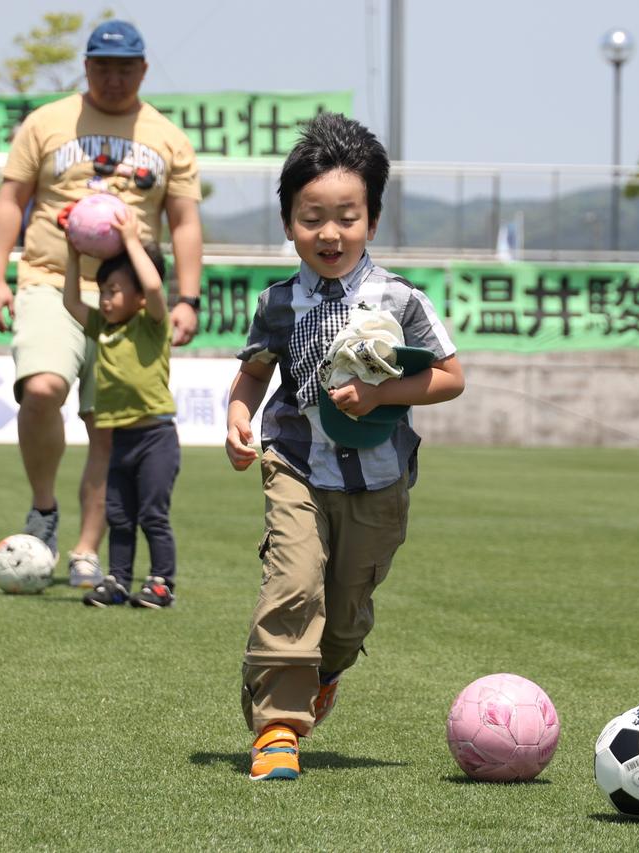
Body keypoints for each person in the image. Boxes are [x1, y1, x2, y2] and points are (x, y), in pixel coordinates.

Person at [224, 113, 465, 781]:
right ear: (288, 221)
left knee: (347, 612)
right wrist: (239, 419)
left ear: (372, 219)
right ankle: (278, 725)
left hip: (380, 477)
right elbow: (253, 372)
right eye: (311, 217)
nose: (329, 233)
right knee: (292, 584)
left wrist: (384, 395)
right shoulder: (278, 302)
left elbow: (450, 376)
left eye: (347, 216)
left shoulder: (402, 298)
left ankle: (326, 670)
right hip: (296, 463)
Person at [0, 19, 204, 588]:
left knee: (107, 428)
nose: (112, 77)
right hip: (49, 279)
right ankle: (44, 508)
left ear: (144, 69)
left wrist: (187, 297)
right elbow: (12, 200)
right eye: (102, 66)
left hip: (127, 301)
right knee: (42, 388)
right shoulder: (47, 122)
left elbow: (184, 221)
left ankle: (86, 550)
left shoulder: (168, 136)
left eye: (125, 67)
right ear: (86, 67)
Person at [63, 207, 180, 609]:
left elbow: (153, 287)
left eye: (114, 290)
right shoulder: (102, 327)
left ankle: (162, 582)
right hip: (120, 440)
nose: (106, 299)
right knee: (119, 515)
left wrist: (131, 240)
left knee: (152, 514)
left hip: (156, 439)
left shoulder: (152, 323)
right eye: (104, 291)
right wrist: (74, 254)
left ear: (135, 296)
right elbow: (70, 301)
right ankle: (118, 581)